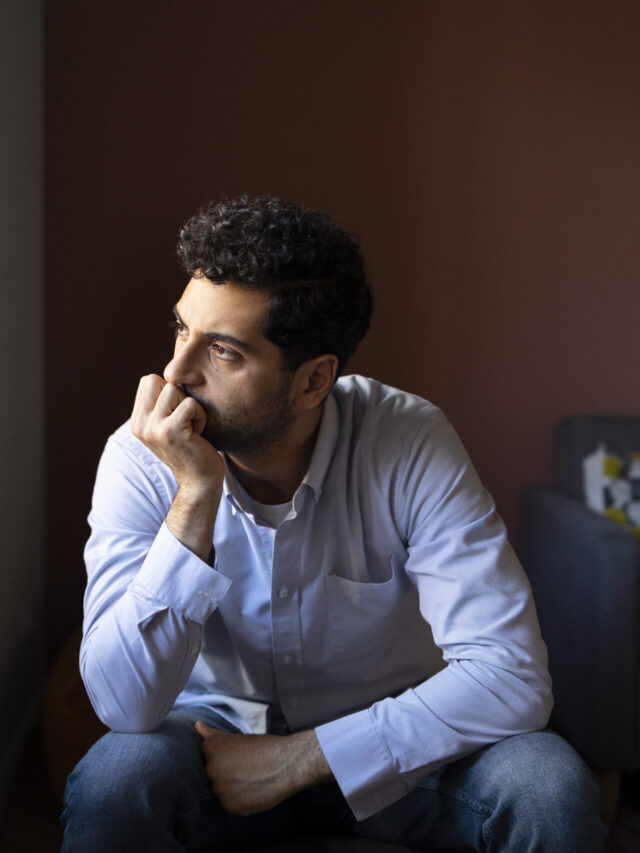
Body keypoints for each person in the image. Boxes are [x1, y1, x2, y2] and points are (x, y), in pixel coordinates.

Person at [61, 196, 607, 852]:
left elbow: (512, 673)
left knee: (550, 784)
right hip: (213, 750)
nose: (176, 373)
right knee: (112, 783)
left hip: (403, 755)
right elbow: (125, 707)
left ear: (316, 380)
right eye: (182, 330)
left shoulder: (407, 441)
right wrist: (195, 499)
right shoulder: (140, 456)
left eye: (224, 352)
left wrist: (304, 757)